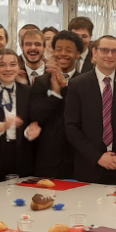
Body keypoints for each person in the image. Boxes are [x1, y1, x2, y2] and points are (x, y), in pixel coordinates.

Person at [65, 36, 116, 186]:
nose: (109, 55)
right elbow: (71, 127)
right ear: (94, 53)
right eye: (104, 50)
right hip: (90, 166)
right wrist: (98, 157)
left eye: (115, 51)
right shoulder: (78, 84)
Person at [28, 31, 82, 178]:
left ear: (78, 53)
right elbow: (36, 114)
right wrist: (55, 92)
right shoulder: (41, 82)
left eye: (68, 50)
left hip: (77, 158)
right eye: (59, 49)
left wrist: (64, 88)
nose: (63, 54)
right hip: (48, 157)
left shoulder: (85, 82)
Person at [0, 50, 36, 182]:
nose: (8, 69)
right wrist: (2, 126)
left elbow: (32, 119)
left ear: (19, 67)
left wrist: (32, 128)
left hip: (22, 156)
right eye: (2, 65)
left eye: (13, 64)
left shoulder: (28, 91)